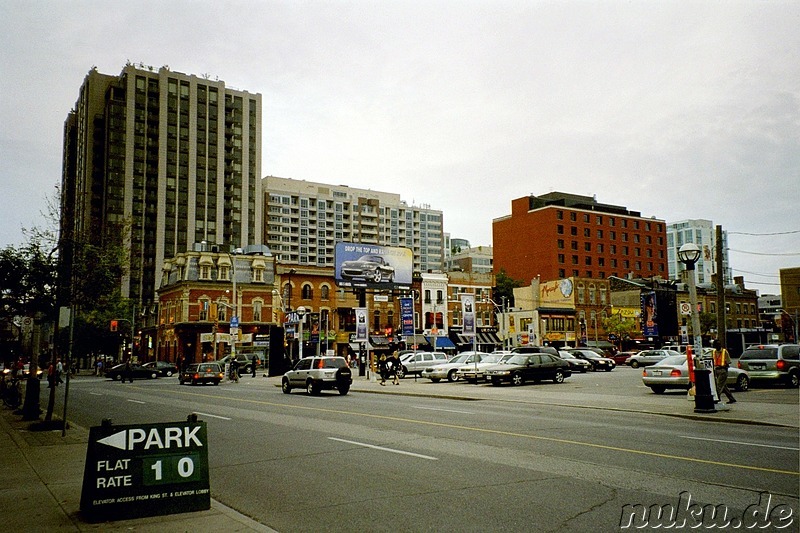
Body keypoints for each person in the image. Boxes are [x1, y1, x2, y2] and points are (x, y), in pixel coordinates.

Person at [712, 339, 736, 404]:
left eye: (719, 344)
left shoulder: (724, 352)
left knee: (719, 385)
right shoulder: (714, 352)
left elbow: (728, 362)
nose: (718, 346)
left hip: (723, 370)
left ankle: (716, 398)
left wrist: (723, 366)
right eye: (716, 344)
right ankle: (731, 399)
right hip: (716, 370)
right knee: (724, 386)